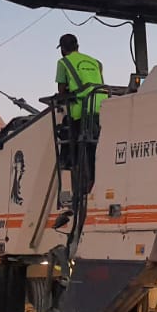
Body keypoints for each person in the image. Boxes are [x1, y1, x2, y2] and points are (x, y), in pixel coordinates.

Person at [55, 33, 106, 197]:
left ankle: (83, 185)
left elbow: (61, 90)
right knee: (95, 146)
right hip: (102, 106)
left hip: (81, 109)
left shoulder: (63, 62)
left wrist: (66, 93)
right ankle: (95, 180)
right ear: (77, 46)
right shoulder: (96, 62)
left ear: (63, 49)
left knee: (76, 145)